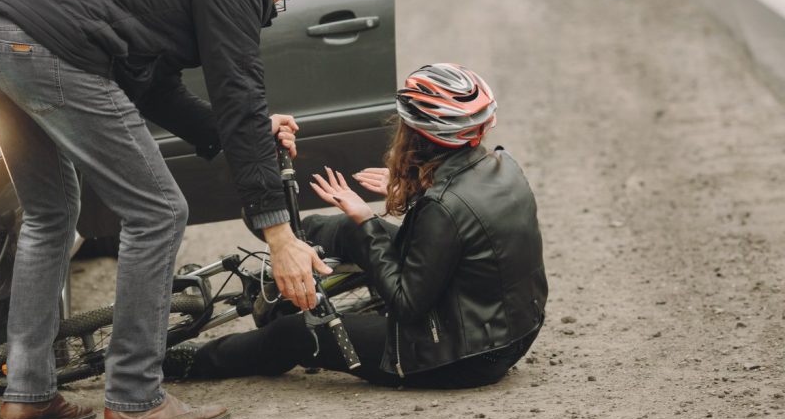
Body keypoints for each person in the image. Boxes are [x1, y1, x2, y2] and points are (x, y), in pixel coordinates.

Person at [0, 0, 332, 419]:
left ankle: (28, 394)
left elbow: (156, 87)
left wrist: (240, 131)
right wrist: (279, 233)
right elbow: (241, 95)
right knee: (157, 210)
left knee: (49, 215)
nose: (271, 11)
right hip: (49, 44)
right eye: (277, 3)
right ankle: (135, 395)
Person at [163, 63, 549, 389]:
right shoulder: (502, 166)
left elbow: (406, 303)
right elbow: (465, 231)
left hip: (460, 356)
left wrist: (367, 218)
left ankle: (185, 363)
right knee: (350, 232)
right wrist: (412, 190)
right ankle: (290, 241)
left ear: (419, 135)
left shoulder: (441, 208)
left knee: (293, 334)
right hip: (512, 330)